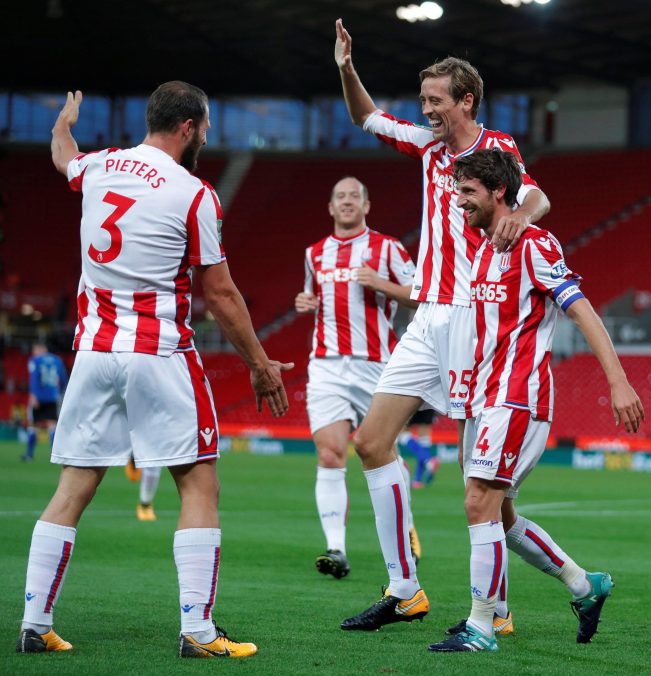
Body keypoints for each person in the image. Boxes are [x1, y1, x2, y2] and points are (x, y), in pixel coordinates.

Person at [16, 83, 291, 658]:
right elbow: (219, 293)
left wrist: (61, 124)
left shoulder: (100, 167)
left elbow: (63, 157)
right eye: (207, 127)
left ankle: (35, 623)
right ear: (188, 127)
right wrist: (261, 366)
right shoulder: (194, 193)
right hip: (159, 352)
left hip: (92, 354)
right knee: (199, 484)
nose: (208, 137)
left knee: (72, 488)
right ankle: (198, 630)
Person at [334, 19, 552, 630]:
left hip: (475, 319)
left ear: (466, 101)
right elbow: (366, 118)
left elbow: (538, 198)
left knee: (478, 486)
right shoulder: (427, 147)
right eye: (423, 99)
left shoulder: (496, 150)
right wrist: (348, 69)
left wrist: (519, 217)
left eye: (436, 100)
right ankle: (405, 588)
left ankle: (501, 610)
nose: (427, 110)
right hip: (428, 316)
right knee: (371, 442)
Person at [426, 149, 644, 652]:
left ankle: (482, 626)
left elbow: (581, 310)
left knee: (479, 500)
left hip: (517, 397)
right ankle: (585, 586)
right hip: (482, 399)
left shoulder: (534, 244)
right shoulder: (481, 251)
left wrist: (618, 380)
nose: (460, 202)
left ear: (499, 192)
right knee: (499, 514)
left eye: (468, 192)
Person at [294, 176, 418, 580]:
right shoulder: (314, 254)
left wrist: (379, 283)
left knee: (383, 452)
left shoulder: (387, 248)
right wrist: (304, 301)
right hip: (327, 365)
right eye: (340, 196)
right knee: (330, 453)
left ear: (367, 206)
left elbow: (421, 292)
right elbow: (312, 295)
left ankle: (407, 525)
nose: (346, 202)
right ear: (330, 207)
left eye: (354, 196)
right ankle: (336, 548)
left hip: (375, 364)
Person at [21, 342, 68, 462]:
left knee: (33, 426)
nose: (34, 352)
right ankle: (54, 455)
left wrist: (33, 395)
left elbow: (34, 378)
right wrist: (61, 393)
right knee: (52, 426)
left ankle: (29, 454)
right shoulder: (57, 360)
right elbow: (63, 379)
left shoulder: (35, 360)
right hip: (53, 397)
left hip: (38, 397)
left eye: (35, 350)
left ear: (41, 349)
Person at [399, 409, 439, 489]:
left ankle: (428, 460)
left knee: (401, 433)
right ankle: (417, 480)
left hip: (411, 400)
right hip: (427, 401)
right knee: (424, 440)